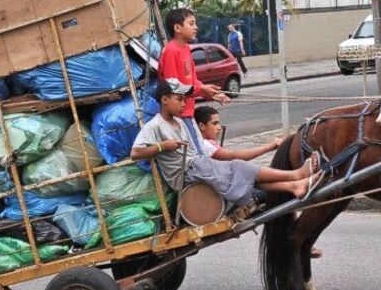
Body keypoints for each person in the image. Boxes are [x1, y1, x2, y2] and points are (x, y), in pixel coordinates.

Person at [131, 79, 319, 208]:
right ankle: (294, 175)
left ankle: (293, 186)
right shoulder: (154, 126)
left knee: (244, 177)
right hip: (186, 173)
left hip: (197, 165)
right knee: (238, 167)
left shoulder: (180, 121)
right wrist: (164, 146)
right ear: (164, 100)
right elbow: (136, 153)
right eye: (179, 99)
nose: (183, 104)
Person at [194, 104, 324, 258]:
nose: (219, 128)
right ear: (201, 126)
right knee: (263, 184)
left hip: (228, 185)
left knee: (264, 183)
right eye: (214, 123)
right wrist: (269, 146)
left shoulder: (209, 143)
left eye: (219, 123)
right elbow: (236, 157)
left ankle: (295, 185)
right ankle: (296, 237)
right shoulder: (205, 145)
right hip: (223, 193)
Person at [158, 8, 229, 155]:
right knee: (198, 155)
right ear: (177, 28)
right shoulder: (172, 51)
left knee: (200, 152)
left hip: (188, 112)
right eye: (191, 23)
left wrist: (211, 94)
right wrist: (201, 90)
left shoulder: (185, 49)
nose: (196, 27)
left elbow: (193, 80)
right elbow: (172, 87)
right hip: (180, 115)